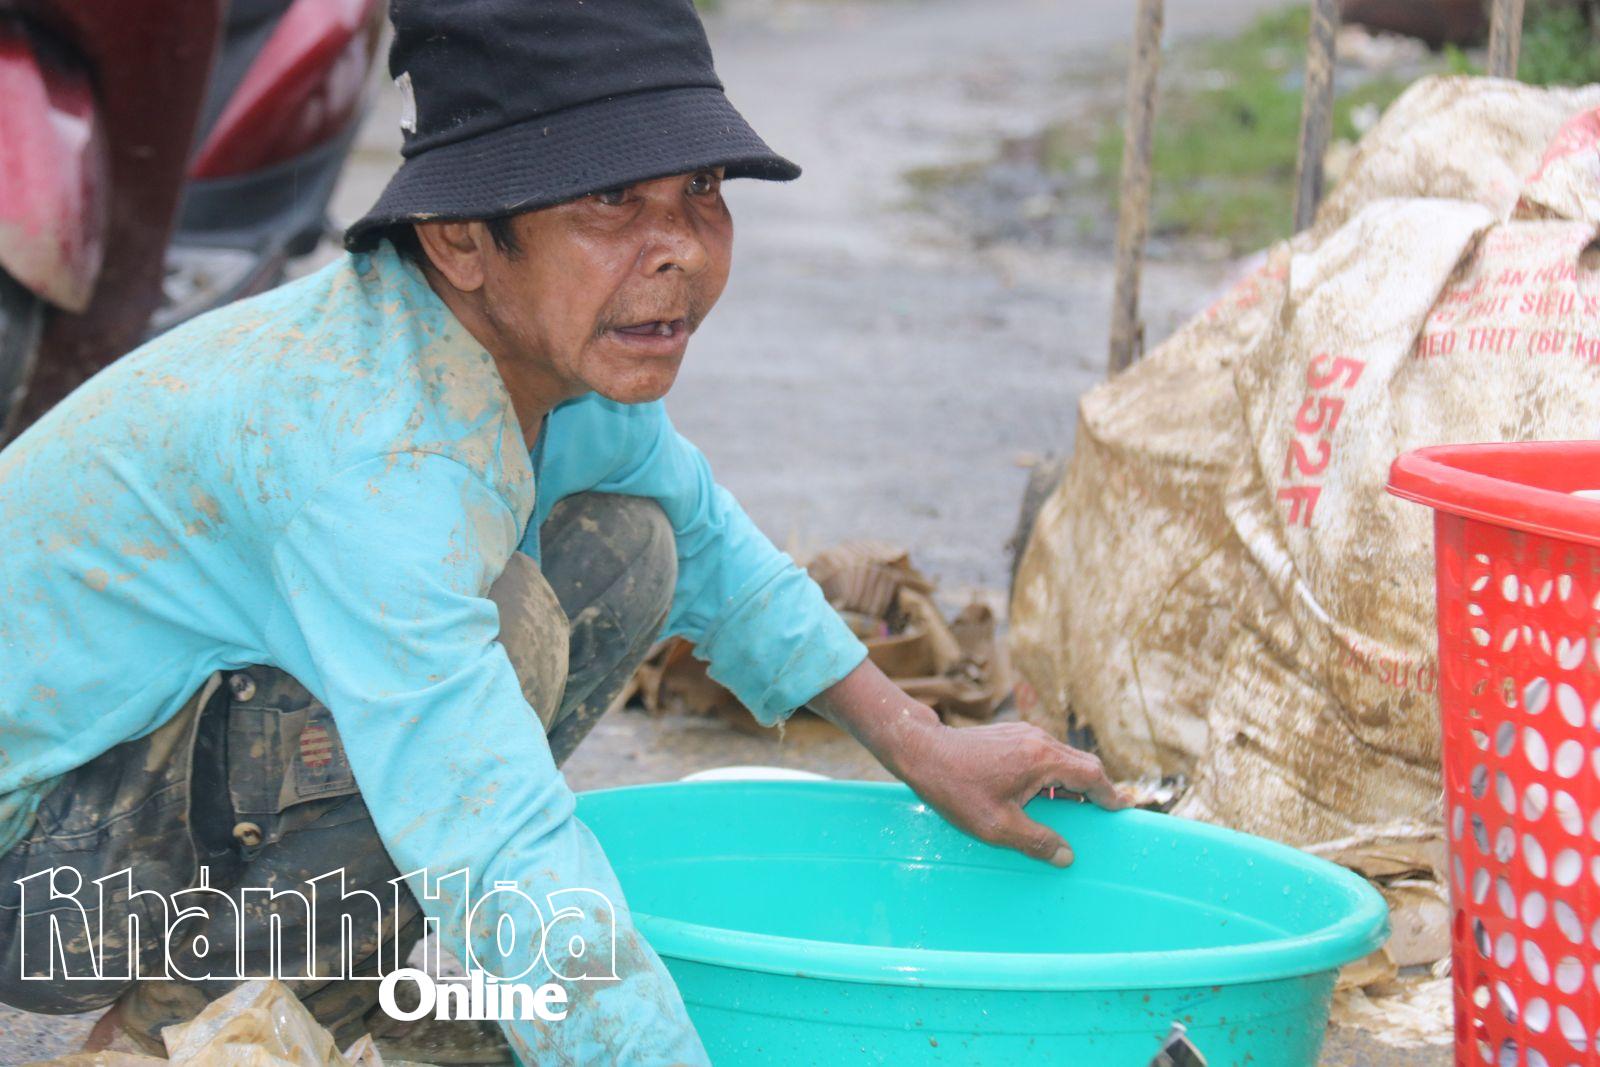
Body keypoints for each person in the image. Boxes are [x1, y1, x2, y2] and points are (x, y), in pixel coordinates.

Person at [0, 0, 1124, 1061]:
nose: (680, 249)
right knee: (507, 641)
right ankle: (169, 1041)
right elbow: (497, 836)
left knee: (630, 549)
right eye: (612, 201)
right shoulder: (377, 453)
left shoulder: (540, 361)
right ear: (460, 239)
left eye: (700, 189)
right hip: (38, 878)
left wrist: (925, 745)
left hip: (129, 800)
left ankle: (308, 993)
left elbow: (714, 547)